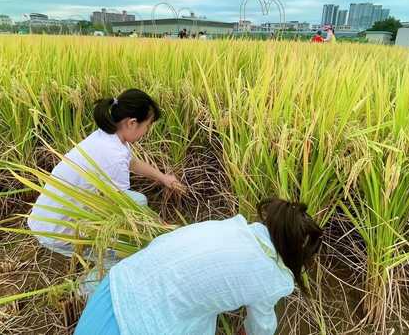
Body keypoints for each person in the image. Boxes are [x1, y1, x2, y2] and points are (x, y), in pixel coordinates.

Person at [75, 198, 323, 335]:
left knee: (201, 314)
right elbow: (262, 327)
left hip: (113, 290)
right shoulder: (273, 278)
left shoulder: (232, 227)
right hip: (135, 327)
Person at [27, 89, 186, 257]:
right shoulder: (113, 154)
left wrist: (164, 178)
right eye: (147, 126)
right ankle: (88, 283)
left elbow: (132, 162)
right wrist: (164, 229)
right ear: (131, 123)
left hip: (46, 217)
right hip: (58, 232)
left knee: (139, 200)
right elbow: (126, 210)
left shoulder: (108, 136)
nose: (146, 132)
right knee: (128, 253)